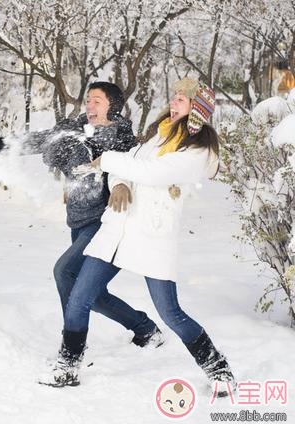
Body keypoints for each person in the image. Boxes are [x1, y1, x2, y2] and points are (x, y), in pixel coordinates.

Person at [45, 78, 236, 395]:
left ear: (197, 112)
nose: (174, 104)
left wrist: (106, 161)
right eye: (174, 98)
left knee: (170, 312)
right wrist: (119, 182)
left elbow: (152, 173)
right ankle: (68, 366)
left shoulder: (196, 152)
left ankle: (219, 370)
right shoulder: (158, 136)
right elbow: (132, 162)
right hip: (118, 228)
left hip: (152, 237)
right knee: (79, 296)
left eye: (182, 101)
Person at [0, 82, 164, 353]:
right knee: (95, 296)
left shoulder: (122, 142)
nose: (89, 105)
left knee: (65, 272)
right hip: (79, 222)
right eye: (88, 100)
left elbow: (131, 174)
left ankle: (73, 344)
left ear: (112, 106)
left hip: (106, 224)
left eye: (97, 101)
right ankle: (146, 329)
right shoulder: (73, 130)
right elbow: (39, 140)